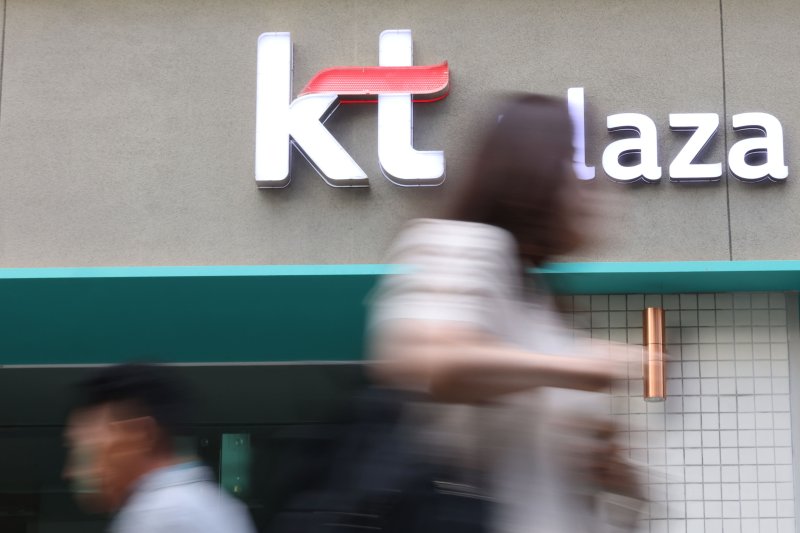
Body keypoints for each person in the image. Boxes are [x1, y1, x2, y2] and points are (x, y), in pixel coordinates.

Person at [368, 94, 644, 533]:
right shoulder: (464, 244)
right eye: (577, 167)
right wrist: (575, 366)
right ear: (537, 172)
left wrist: (617, 476)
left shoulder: (536, 298)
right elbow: (433, 360)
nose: (594, 189)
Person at [63, 363, 257, 533]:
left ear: (141, 434)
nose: (69, 472)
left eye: (87, 452)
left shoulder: (160, 516)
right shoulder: (214, 504)